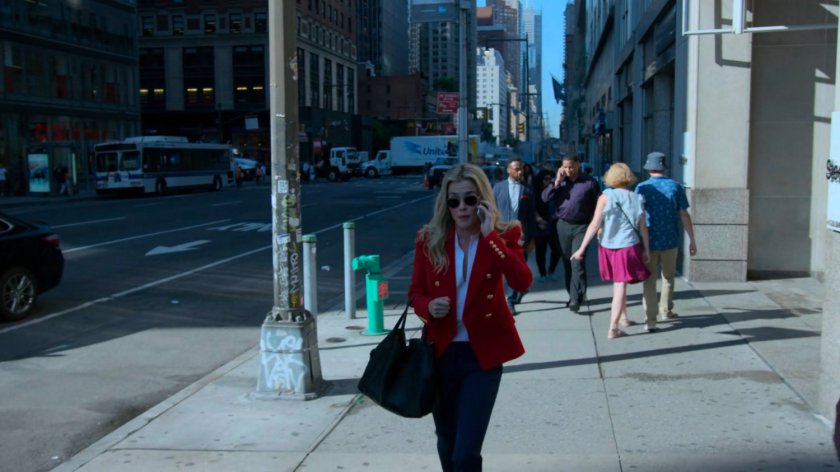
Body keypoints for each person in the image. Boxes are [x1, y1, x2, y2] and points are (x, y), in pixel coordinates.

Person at [408, 163, 531, 471]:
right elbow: (414, 294)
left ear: (483, 201)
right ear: (445, 203)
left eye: (470, 200)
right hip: (442, 352)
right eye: (454, 201)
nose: (462, 208)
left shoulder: (505, 234)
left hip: (483, 355)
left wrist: (490, 236)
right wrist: (428, 307)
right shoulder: (429, 239)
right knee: (447, 443)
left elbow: (522, 282)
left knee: (466, 453)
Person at [572, 163, 650, 339]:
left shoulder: (606, 196)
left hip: (608, 246)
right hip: (629, 245)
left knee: (619, 284)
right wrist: (646, 249)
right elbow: (643, 227)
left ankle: (616, 324)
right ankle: (616, 324)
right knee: (621, 285)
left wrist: (582, 248)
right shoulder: (638, 198)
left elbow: (594, 224)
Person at [635, 151, 697, 331]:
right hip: (670, 239)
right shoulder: (675, 187)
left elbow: (637, 215)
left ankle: (650, 319)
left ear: (649, 168)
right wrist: (692, 239)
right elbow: (684, 214)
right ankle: (666, 310)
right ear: (664, 167)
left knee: (649, 280)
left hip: (649, 241)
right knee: (668, 277)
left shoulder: (642, 188)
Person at [541, 155, 601, 313]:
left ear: (578, 165)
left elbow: (598, 205)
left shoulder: (589, 182)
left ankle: (576, 297)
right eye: (565, 167)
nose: (568, 170)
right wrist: (557, 182)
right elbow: (545, 198)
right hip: (563, 226)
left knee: (577, 262)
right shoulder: (559, 182)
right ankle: (573, 294)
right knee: (567, 262)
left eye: (571, 166)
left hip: (582, 226)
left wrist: (599, 225)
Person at [492, 157, 535, 312]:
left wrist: (531, 238)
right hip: (502, 234)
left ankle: (513, 296)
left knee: (517, 267)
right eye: (516, 168)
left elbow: (531, 215)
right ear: (508, 170)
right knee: (501, 267)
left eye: (521, 168)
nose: (520, 171)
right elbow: (492, 211)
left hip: (521, 235)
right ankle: (509, 299)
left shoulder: (527, 189)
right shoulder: (498, 188)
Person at [532, 169, 561, 282]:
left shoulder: (555, 192)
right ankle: (542, 273)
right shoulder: (535, 193)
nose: (549, 181)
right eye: (546, 179)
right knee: (540, 252)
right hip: (540, 227)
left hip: (553, 226)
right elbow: (532, 209)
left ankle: (551, 270)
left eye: (550, 179)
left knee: (557, 250)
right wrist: (539, 220)